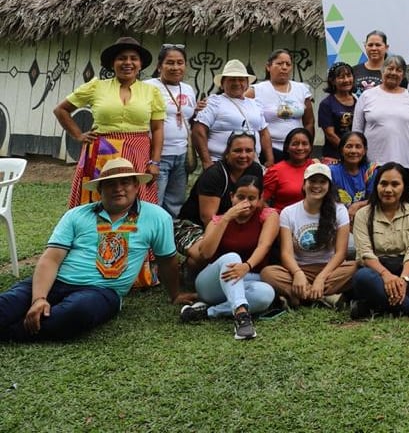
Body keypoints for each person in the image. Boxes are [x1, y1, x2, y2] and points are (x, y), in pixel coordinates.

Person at [0, 159, 192, 342]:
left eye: (125, 182)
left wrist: (175, 294)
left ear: (136, 185)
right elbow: (51, 259)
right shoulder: (76, 215)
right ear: (100, 189)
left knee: (77, 312)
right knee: (8, 303)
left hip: (102, 291)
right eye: (110, 184)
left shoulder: (157, 217)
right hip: (56, 281)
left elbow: (167, 260)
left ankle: (10, 332)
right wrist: (39, 298)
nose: (118, 188)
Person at [55, 36, 165, 209]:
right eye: (121, 58)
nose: (127, 63)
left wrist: (155, 162)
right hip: (101, 153)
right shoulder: (96, 87)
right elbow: (61, 110)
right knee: (96, 200)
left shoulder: (152, 92)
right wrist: (78, 135)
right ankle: (92, 235)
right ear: (113, 63)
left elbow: (157, 129)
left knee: (135, 201)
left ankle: (133, 236)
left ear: (140, 64)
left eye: (133, 58)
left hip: (138, 153)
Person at [179, 172, 280, 340]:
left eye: (252, 198)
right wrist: (227, 218)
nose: (245, 203)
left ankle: (209, 312)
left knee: (266, 294)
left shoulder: (268, 215)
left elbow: (265, 245)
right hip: (211, 284)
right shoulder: (218, 220)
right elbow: (205, 253)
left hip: (248, 276)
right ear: (232, 197)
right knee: (231, 257)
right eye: (240, 197)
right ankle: (242, 318)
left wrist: (246, 266)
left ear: (260, 199)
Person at [350, 163, 409, 318]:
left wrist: (403, 279)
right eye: (383, 184)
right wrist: (386, 276)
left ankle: (371, 307)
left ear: (404, 187)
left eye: (395, 184)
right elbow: (365, 253)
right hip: (376, 272)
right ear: (376, 186)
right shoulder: (363, 214)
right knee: (362, 278)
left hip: (407, 269)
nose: (388, 189)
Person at [261, 163, 357, 308]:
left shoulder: (339, 210)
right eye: (312, 181)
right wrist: (298, 273)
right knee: (268, 273)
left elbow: (341, 253)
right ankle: (325, 296)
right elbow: (286, 253)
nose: (317, 186)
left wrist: (321, 278)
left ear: (329, 186)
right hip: (300, 269)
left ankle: (299, 297)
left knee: (357, 267)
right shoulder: (289, 212)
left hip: (330, 270)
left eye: (322, 182)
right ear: (304, 184)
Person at [174, 132, 267, 257]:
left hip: (233, 223)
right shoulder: (214, 175)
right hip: (195, 225)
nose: (243, 155)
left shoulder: (255, 170)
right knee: (205, 254)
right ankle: (191, 273)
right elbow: (208, 219)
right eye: (238, 150)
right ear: (227, 153)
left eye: (249, 150)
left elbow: (258, 203)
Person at [144, 43, 197, 216]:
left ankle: (171, 237)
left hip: (181, 155)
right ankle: (150, 240)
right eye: (170, 63)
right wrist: (154, 160)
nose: (176, 67)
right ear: (159, 66)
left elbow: (187, 116)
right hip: (157, 156)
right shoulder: (148, 87)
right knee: (154, 202)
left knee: (176, 203)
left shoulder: (188, 89)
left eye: (180, 62)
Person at [193, 59, 273, 168]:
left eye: (241, 80)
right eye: (232, 80)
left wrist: (270, 159)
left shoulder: (255, 104)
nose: (237, 83)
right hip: (220, 163)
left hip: (251, 163)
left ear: (247, 84)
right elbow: (198, 131)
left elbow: (264, 133)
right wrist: (207, 162)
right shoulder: (214, 102)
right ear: (222, 84)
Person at [353, 54, 409, 170]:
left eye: (398, 70)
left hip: (405, 162)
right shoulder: (367, 96)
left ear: (403, 75)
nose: (393, 73)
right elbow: (357, 130)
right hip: (373, 163)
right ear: (382, 71)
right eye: (390, 68)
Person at [249, 49, 314, 160]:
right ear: (268, 67)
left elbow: (309, 122)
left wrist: (306, 146)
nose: (284, 67)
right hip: (268, 151)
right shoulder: (256, 90)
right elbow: (236, 102)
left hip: (297, 151)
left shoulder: (302, 89)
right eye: (279, 63)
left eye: (288, 64)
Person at [263, 127, 318, 211]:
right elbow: (261, 200)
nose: (300, 148)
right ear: (287, 147)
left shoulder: (316, 166)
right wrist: (274, 216)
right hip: (284, 221)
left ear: (310, 147)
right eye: (295, 144)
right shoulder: (275, 170)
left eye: (304, 144)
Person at [329, 131, 378, 210]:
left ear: (364, 150)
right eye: (349, 146)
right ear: (342, 150)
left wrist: (358, 205)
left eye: (358, 146)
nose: (353, 151)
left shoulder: (370, 171)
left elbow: (374, 199)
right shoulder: (332, 171)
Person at [318, 62, 357, 160]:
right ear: (332, 81)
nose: (346, 80)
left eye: (349, 76)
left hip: (355, 156)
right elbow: (330, 134)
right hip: (334, 156)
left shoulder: (359, 101)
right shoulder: (326, 104)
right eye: (341, 77)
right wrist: (347, 150)